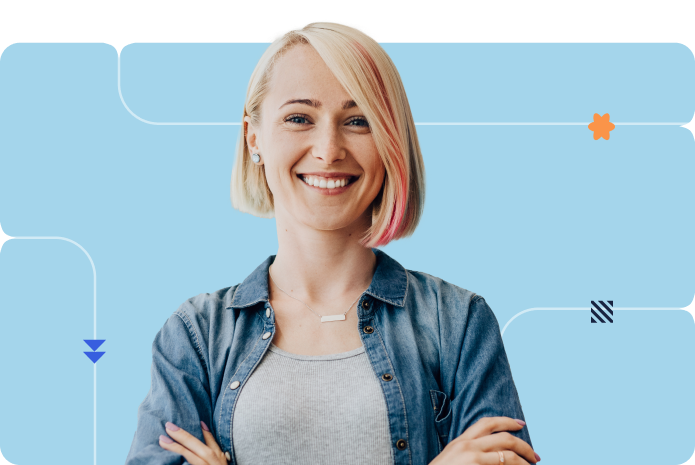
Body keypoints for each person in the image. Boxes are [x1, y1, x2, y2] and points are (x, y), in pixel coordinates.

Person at [124, 20, 540, 465]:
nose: (328, 149)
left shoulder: (457, 324)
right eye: (299, 118)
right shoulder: (195, 338)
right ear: (254, 136)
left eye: (358, 121)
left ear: (390, 141)